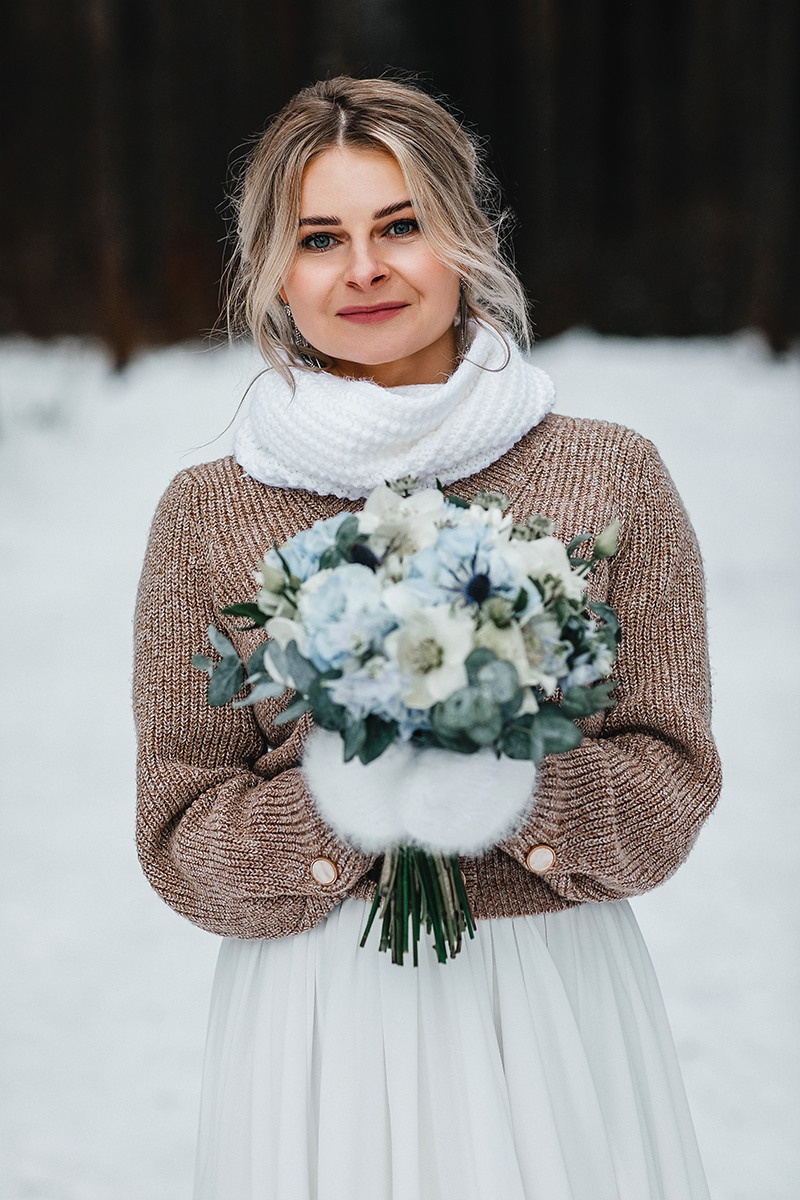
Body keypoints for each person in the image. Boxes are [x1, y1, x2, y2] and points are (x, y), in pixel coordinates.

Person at [133, 76, 721, 1200]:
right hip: (318, 1028)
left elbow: (667, 785)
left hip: (549, 1010)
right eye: (320, 238)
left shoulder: (606, 473)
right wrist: (344, 808)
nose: (364, 268)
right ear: (275, 273)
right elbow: (175, 833)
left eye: (398, 225)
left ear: (463, 238)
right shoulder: (208, 511)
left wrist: (510, 785)